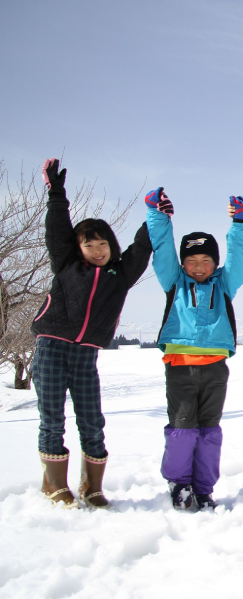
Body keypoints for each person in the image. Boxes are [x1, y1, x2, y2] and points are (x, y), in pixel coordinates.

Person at [32, 158, 152, 508]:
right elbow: (57, 230)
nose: (97, 251)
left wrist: (156, 216)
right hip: (51, 347)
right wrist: (56, 193)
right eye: (89, 245)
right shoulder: (67, 265)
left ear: (111, 247)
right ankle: (53, 485)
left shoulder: (120, 275)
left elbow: (142, 247)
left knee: (92, 421)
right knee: (52, 418)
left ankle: (92, 487)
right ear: (79, 248)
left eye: (103, 245)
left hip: (86, 355)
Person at [147, 190, 243, 510]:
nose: (198, 266)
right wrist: (158, 215)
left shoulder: (224, 284)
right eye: (191, 260)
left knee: (209, 431)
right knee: (182, 428)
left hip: (216, 369)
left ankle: (204, 487)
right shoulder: (174, 281)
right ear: (183, 264)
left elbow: (238, 257)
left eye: (206, 260)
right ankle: (180, 483)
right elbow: (163, 249)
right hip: (180, 367)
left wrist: (240, 222)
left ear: (214, 263)